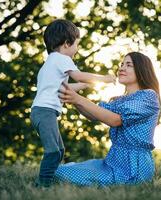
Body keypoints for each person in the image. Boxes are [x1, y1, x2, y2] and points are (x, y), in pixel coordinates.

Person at [30, 19, 115, 188]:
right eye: (77, 44)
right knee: (53, 151)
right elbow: (79, 76)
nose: (77, 49)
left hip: (41, 112)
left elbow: (66, 87)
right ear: (67, 44)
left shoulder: (51, 63)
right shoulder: (62, 59)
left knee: (59, 151)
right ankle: (43, 185)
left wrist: (87, 84)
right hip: (45, 112)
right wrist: (104, 79)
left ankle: (50, 179)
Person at [56, 52, 161, 187]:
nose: (122, 68)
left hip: (133, 166)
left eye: (129, 65)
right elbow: (93, 115)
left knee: (59, 174)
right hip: (113, 160)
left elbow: (115, 120)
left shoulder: (148, 96)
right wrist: (73, 99)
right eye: (122, 64)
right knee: (57, 171)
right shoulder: (120, 100)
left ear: (142, 70)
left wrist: (77, 98)